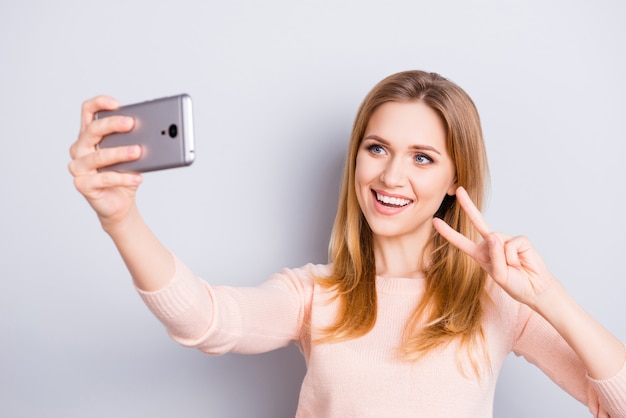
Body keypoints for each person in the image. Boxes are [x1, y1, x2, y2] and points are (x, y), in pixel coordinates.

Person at [68, 70, 626, 417]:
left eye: (423, 157)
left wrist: (548, 297)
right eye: (377, 148)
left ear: (456, 182)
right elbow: (206, 321)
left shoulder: (496, 302)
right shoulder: (315, 293)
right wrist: (121, 218)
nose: (390, 177)